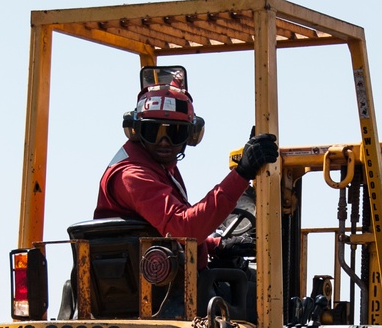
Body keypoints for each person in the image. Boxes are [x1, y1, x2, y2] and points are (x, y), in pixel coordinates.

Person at [95, 66, 278, 269]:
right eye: (153, 131)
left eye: (175, 133)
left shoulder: (159, 167)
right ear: (136, 131)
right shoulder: (133, 176)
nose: (164, 142)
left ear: (190, 136)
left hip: (158, 274)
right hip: (150, 285)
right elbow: (184, 230)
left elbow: (162, 233)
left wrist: (216, 245)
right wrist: (242, 173)